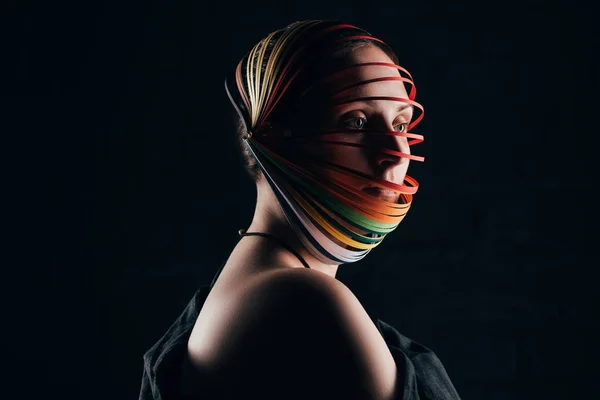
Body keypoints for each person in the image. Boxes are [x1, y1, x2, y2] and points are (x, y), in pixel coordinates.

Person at [138, 20, 461, 400]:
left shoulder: (254, 286)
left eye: (401, 123)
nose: (396, 154)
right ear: (275, 139)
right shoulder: (302, 301)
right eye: (356, 121)